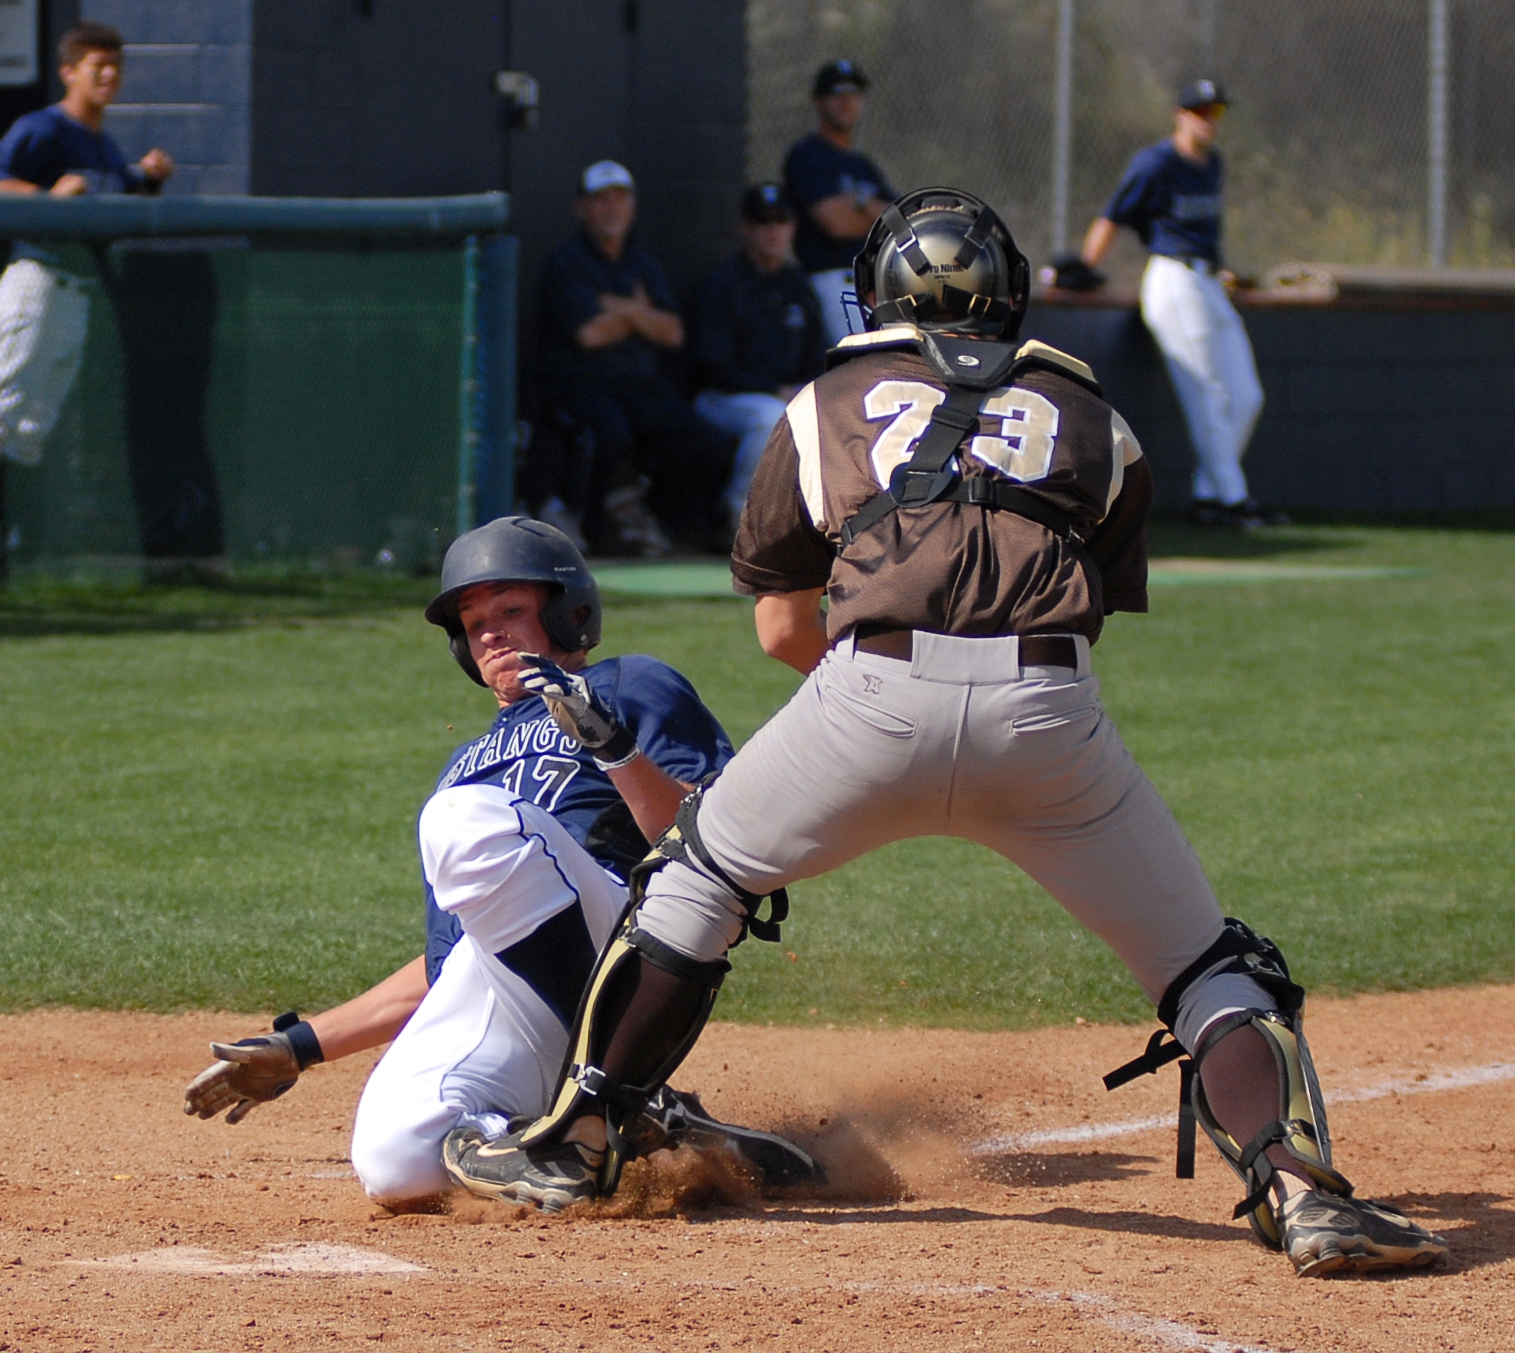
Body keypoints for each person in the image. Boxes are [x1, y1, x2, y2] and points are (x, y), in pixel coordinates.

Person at [447, 188, 1448, 1279]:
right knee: (1211, 966)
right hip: (1048, 711)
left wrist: (877, 730)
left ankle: (577, 1142)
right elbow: (1086, 606)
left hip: (868, 692)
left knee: (694, 882)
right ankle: (1301, 1193)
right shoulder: (1089, 408)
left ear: (877, 293)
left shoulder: (824, 399)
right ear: (1008, 294)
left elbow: (784, 621)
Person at [182, 517, 819, 1204]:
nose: (490, 631)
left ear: (567, 612)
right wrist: (303, 1046)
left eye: (510, 609)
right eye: (473, 620)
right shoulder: (459, 774)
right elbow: (453, 963)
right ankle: (646, 1124)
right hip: (533, 996)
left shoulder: (631, 684)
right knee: (395, 1161)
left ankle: (617, 1079)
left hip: (629, 945)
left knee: (461, 818)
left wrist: (618, 751)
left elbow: (718, 843)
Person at [0, 20, 174, 584]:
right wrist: (43, 194)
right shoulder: (43, 128)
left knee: (32, 431)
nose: (108, 76)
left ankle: (3, 544)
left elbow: (113, 196)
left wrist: (145, 180)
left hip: (75, 292)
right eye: (95, 66)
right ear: (69, 71)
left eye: (115, 66)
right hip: (34, 279)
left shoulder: (104, 145)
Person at [1080, 79, 1281, 530]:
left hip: (1208, 281)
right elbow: (1114, 213)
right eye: (1200, 112)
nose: (1208, 121)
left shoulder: (1212, 163)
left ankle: (1210, 495)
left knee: (1247, 396)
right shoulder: (1156, 162)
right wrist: (1081, 267)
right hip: (1173, 280)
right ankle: (1233, 500)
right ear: (1180, 114)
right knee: (1207, 394)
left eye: (1215, 113)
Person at [537, 159, 735, 555]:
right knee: (607, 432)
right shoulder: (566, 263)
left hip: (641, 387)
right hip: (579, 385)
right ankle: (579, 525)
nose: (611, 209)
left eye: (619, 200)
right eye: (601, 200)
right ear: (582, 207)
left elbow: (673, 332)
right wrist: (641, 312)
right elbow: (589, 334)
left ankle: (658, 518)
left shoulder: (643, 264)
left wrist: (619, 308)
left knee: (707, 441)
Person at [689, 182, 826, 528]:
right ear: (745, 228)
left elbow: (815, 358)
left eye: (781, 221)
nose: (773, 231)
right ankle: (738, 515)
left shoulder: (798, 286)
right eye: (763, 222)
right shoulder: (725, 283)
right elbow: (712, 367)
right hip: (722, 399)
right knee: (772, 417)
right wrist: (775, 389)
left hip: (781, 397)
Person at [783, 59, 894, 347]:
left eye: (854, 94)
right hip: (831, 279)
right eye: (837, 94)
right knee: (861, 363)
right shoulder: (807, 155)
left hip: (877, 283)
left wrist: (858, 203)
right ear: (819, 102)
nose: (846, 102)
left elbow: (899, 221)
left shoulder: (863, 165)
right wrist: (871, 210)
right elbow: (838, 224)